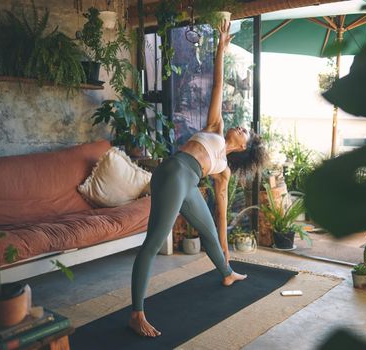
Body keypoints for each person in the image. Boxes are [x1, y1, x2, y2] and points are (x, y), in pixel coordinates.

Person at [129, 20, 267, 337]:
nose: (241, 127)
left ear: (244, 147)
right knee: (152, 243)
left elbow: (220, 216)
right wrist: (221, 47)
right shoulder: (215, 128)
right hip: (174, 171)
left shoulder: (225, 171)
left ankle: (228, 272)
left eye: (245, 132)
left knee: (206, 229)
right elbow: (217, 85)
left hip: (187, 183)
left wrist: (226, 249)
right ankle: (136, 312)